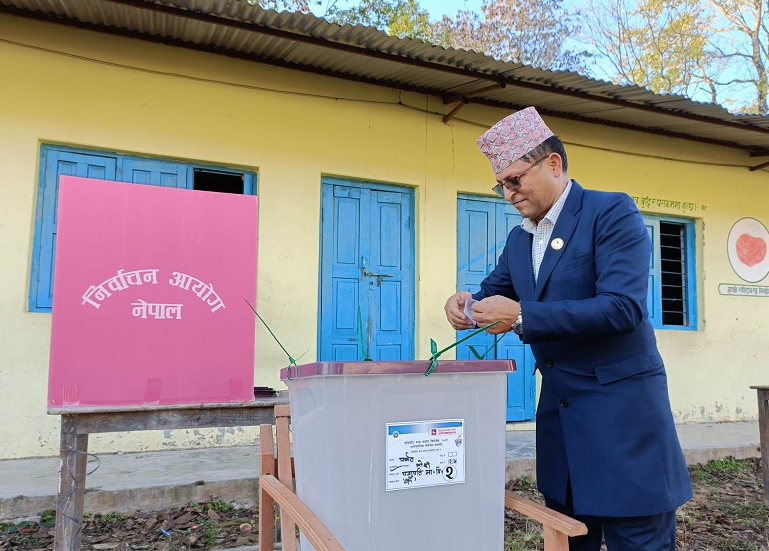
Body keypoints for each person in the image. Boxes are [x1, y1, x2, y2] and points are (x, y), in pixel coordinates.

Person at [444, 107, 692, 551]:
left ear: (553, 164)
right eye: (500, 184)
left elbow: (622, 308)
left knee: (638, 542)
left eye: (515, 180)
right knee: (569, 539)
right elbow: (490, 294)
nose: (507, 194)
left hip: (622, 424)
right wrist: (464, 305)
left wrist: (521, 317)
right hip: (562, 426)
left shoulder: (610, 211)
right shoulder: (521, 238)